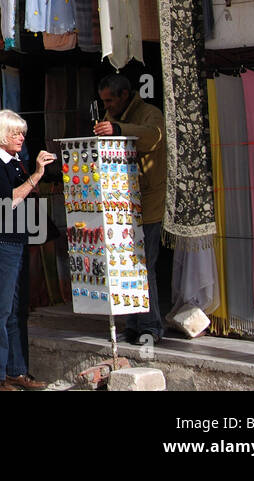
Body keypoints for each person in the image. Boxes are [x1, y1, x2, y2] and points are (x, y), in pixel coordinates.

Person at [0, 110, 55, 391]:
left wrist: (36, 172)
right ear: (1, 136)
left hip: (18, 240)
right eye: (15, 133)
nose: (21, 137)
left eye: (22, 133)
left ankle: (17, 371)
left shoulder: (16, 162)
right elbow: (7, 200)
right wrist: (35, 175)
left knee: (18, 311)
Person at [93, 73, 166, 345]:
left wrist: (119, 131)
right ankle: (133, 324)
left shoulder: (149, 113)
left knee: (145, 266)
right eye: (104, 101)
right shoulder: (111, 117)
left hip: (147, 203)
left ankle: (151, 326)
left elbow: (153, 137)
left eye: (110, 100)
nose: (107, 106)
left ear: (125, 95)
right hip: (121, 205)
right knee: (126, 267)